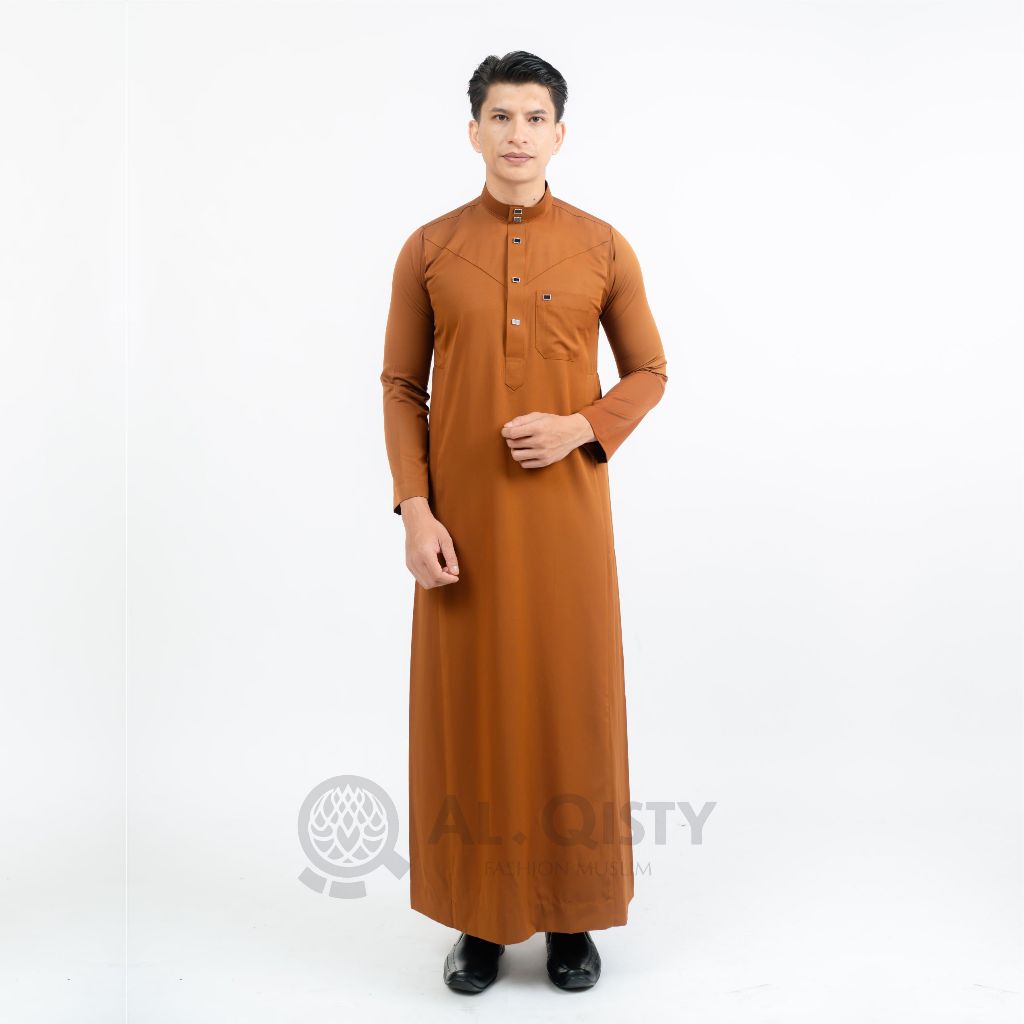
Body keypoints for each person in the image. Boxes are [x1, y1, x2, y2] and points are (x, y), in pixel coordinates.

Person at [380, 50, 668, 993]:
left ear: (560, 133)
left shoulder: (602, 246)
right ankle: (482, 919)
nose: (517, 134)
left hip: (566, 527)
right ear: (474, 132)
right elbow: (401, 385)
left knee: (569, 704)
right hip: (462, 532)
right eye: (500, 117)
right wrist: (416, 511)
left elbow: (649, 372)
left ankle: (573, 915)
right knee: (472, 713)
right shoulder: (429, 249)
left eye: (534, 118)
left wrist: (582, 425)